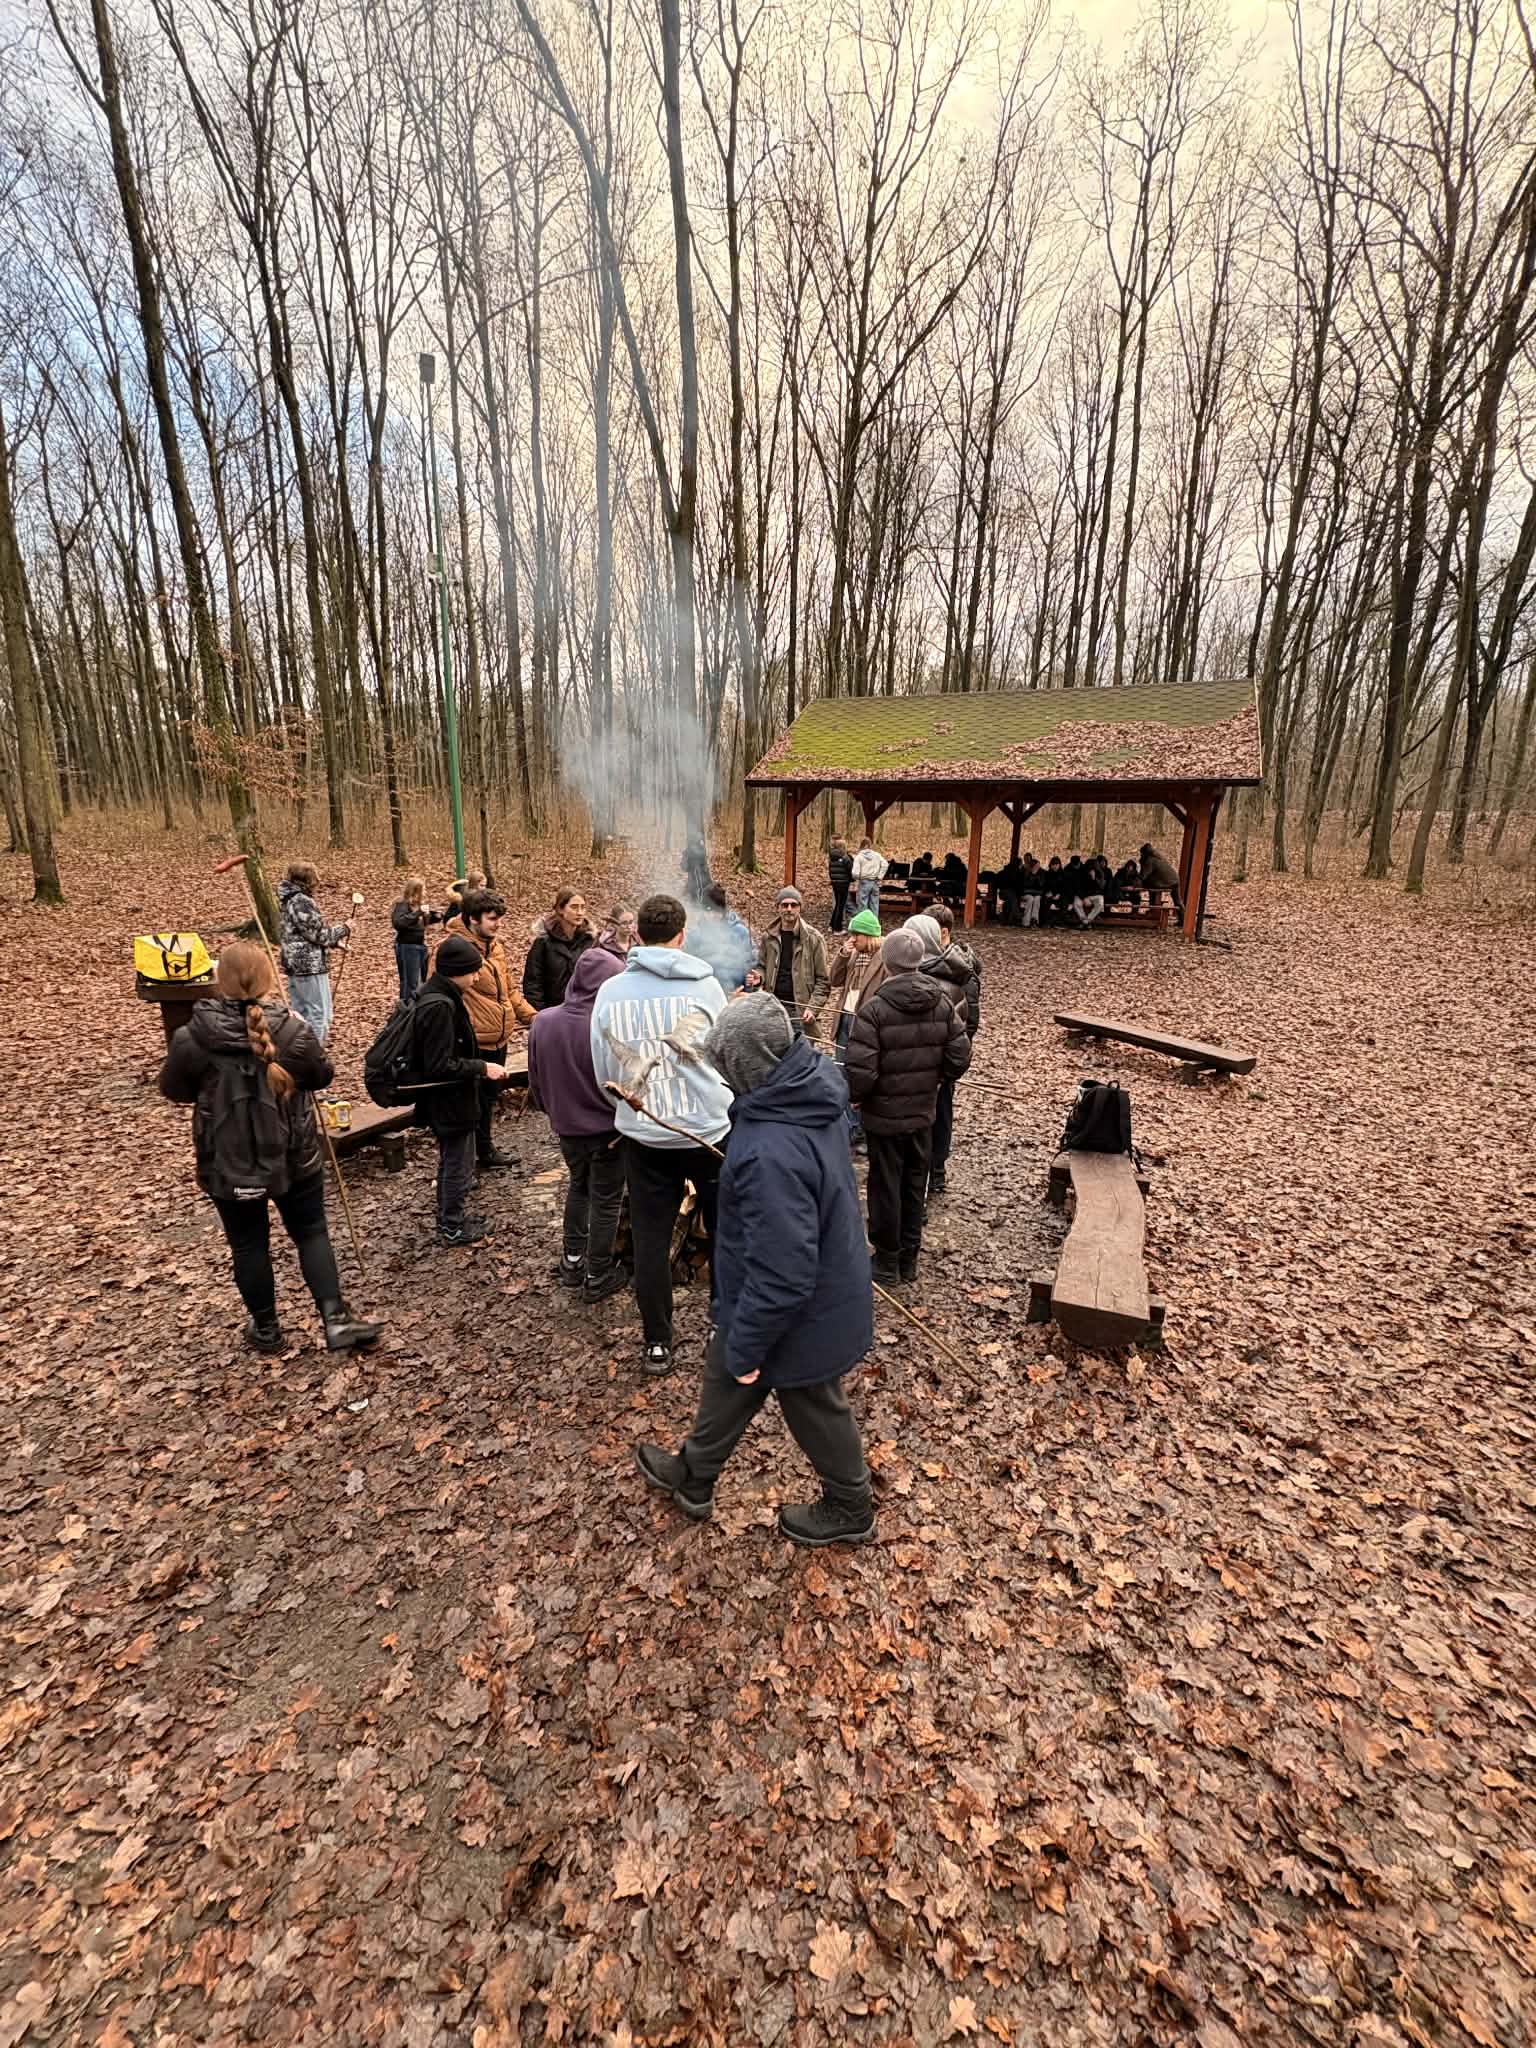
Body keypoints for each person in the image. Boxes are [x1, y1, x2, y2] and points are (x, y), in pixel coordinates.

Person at [634, 996, 876, 1548]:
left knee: (806, 1395)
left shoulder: (770, 1150)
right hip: (808, 1283)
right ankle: (695, 1475)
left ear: (744, 1067)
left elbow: (784, 1271)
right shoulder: (804, 1091)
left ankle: (851, 1504)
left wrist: (747, 1345)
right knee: (730, 1370)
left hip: (804, 1305)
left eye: (724, 1065)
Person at [159, 941, 381, 1352]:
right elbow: (321, 1074)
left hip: (230, 1160)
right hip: (289, 1153)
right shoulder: (288, 1030)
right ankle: (333, 1320)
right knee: (310, 1232)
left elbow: (175, 1089)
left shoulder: (193, 1036)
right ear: (266, 980)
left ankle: (267, 1328)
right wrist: (299, 1032)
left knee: (249, 1243)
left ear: (220, 981)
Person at [589, 893, 732, 1375]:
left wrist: (626, 1108)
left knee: (650, 1238)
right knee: (725, 1230)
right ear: (682, 935)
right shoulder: (707, 987)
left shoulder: (610, 992)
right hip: (708, 1131)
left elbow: (602, 1067)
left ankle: (657, 1342)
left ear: (637, 935)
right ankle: (722, 1327)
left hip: (646, 1131)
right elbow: (724, 1056)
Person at [846, 929, 970, 1284]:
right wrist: (938, 1079)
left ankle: (889, 1262)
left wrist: (858, 1096)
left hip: (886, 1119)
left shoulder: (874, 1010)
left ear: (887, 963)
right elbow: (959, 1054)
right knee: (915, 1182)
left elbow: (861, 1073)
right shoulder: (941, 1004)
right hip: (921, 1114)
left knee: (886, 1186)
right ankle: (907, 1257)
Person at [527, 949, 629, 1302]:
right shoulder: (607, 1026)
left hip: (567, 1129)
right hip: (608, 1132)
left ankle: (572, 1261)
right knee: (606, 1200)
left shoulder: (543, 1022)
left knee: (579, 1187)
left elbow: (535, 1080)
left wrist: (553, 1112)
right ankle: (598, 1274)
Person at [414, 934, 509, 1246]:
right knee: (458, 1163)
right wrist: (482, 1067)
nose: (477, 977)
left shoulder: (442, 995)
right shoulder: (440, 1006)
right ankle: (452, 1227)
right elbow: (440, 1065)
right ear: (456, 972)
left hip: (451, 1098)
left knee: (453, 1160)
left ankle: (450, 1218)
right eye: (472, 971)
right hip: (450, 1100)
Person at [438, 887, 530, 1171]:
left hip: (498, 1040)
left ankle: (485, 1151)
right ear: (472, 919)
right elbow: (440, 997)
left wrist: (534, 1018)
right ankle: (462, 1167)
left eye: (500, 918)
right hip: (472, 1043)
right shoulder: (451, 950)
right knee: (468, 1107)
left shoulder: (496, 947)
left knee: (487, 1099)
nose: (498, 924)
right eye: (492, 918)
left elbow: (509, 990)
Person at [913, 905, 982, 1200]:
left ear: (942, 932)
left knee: (941, 1113)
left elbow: (969, 1021)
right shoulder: (921, 963)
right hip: (920, 1058)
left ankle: (937, 1169)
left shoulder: (962, 971)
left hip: (945, 1059)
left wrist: (952, 1060)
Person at [827, 908, 886, 1147]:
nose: (852, 939)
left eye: (856, 935)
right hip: (844, 1020)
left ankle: (861, 1128)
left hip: (866, 1025)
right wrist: (842, 955)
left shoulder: (884, 958)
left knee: (861, 1076)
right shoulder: (852, 955)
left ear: (868, 935)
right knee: (842, 1074)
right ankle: (848, 1127)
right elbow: (834, 979)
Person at [277, 862, 351, 1044]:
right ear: (307, 880)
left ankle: (299, 1052)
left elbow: (303, 933)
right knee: (319, 1016)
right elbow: (317, 934)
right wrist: (344, 929)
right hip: (309, 966)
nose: (317, 883)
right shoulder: (301, 901)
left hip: (296, 964)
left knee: (301, 1015)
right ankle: (312, 1054)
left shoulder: (289, 899)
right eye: (314, 880)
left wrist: (335, 943)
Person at [753, 887, 831, 1037]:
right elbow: (761, 966)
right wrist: (759, 977)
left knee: (799, 1051)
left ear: (800, 907)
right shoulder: (768, 937)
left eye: (793, 905)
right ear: (777, 907)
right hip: (773, 1007)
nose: (789, 909)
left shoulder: (813, 939)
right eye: (784, 905)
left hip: (800, 1011)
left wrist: (812, 1008)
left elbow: (823, 981)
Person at [522, 887, 594, 1012]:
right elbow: (532, 983)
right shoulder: (543, 942)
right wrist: (542, 1013)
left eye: (583, 907)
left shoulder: (590, 941)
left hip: (582, 1011)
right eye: (574, 907)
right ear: (561, 909)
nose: (580, 912)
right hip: (551, 1011)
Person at [690, 882, 756, 994]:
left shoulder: (740, 932)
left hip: (737, 993)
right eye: (708, 910)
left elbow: (750, 963)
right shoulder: (694, 935)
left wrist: (748, 985)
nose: (713, 915)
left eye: (717, 911)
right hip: (706, 994)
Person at [390, 877, 441, 1003]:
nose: (425, 893)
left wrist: (435, 916)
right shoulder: (402, 905)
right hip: (407, 947)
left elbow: (421, 922)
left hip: (420, 945)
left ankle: (418, 1004)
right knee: (410, 981)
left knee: (424, 978)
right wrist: (418, 913)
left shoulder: (419, 906)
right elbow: (399, 923)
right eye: (423, 890)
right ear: (415, 891)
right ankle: (407, 1007)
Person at [1140, 842, 1183, 913]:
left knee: (1150, 887)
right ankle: (1183, 917)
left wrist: (1142, 864)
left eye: (1141, 854)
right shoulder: (1159, 858)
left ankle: (1153, 910)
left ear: (1144, 854)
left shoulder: (1150, 860)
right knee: (1178, 902)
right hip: (1175, 881)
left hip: (1166, 883)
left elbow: (1143, 876)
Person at [851, 837, 888, 917]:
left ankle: (863, 921)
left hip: (864, 882)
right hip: (875, 882)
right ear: (870, 845)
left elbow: (855, 873)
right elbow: (885, 864)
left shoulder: (859, 857)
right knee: (874, 904)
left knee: (862, 904)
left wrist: (856, 878)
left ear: (861, 845)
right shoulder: (877, 855)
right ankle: (874, 921)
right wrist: (879, 876)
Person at [828, 835, 854, 932]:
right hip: (843, 884)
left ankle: (831, 925)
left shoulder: (832, 857)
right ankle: (837, 929)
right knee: (841, 905)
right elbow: (851, 871)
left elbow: (830, 871)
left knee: (837, 905)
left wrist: (833, 880)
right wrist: (851, 879)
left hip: (835, 884)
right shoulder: (845, 858)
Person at [682, 828, 713, 903]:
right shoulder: (695, 844)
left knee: (698, 883)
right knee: (697, 883)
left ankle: (697, 899)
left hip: (696, 865)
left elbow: (701, 854)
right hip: (694, 865)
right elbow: (700, 854)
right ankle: (696, 899)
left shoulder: (696, 844)